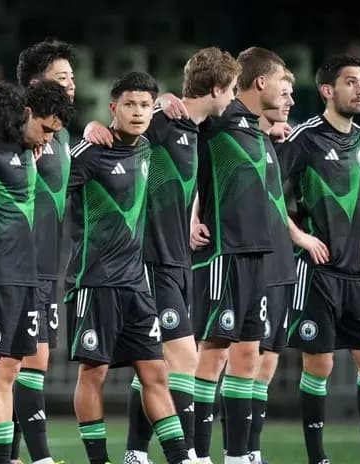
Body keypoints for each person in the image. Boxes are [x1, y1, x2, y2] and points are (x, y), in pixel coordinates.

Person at [115, 48, 240, 464]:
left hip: (177, 259)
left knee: (157, 361)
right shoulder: (164, 118)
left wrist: (188, 216)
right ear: (217, 89)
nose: (233, 98)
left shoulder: (197, 130)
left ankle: (135, 451)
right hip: (151, 259)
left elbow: (180, 181)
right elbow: (120, 135)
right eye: (232, 89)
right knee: (183, 356)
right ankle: (185, 453)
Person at [279, 54, 360, 464]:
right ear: (328, 91)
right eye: (351, 82)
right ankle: (318, 459)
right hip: (316, 272)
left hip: (353, 272)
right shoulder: (305, 137)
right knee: (320, 365)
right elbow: (269, 193)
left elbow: (355, 199)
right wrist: (301, 237)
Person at [68, 71, 193, 464]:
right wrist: (86, 129)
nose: (138, 113)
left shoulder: (148, 148)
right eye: (129, 105)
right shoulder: (90, 152)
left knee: (156, 374)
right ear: (112, 108)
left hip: (137, 285)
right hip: (95, 282)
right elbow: (49, 186)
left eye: (144, 106)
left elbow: (196, 113)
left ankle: (179, 458)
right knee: (94, 374)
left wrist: (170, 97)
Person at [0, 80, 73, 464]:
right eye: (45, 129)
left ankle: (0, 458)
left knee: (8, 370)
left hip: (25, 275)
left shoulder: (26, 152)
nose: (47, 139)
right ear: (25, 115)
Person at [188, 47, 286, 464]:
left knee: (248, 354)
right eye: (284, 83)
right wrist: (193, 211)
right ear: (260, 81)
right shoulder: (218, 117)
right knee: (213, 353)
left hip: (256, 255)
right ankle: (196, 453)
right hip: (225, 252)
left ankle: (239, 455)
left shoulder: (256, 128)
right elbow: (182, 143)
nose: (287, 94)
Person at [9, 38, 77, 464]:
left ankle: (13, 455)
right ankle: (39, 457)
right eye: (62, 77)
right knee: (23, 358)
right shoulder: (15, 125)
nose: (71, 84)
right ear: (36, 83)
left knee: (30, 359)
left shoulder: (63, 132)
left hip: (49, 261)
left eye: (73, 76)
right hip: (17, 259)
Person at [242, 68, 297, 464]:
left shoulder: (277, 142)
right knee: (244, 358)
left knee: (270, 358)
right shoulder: (237, 136)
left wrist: (297, 238)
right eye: (286, 91)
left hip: (281, 261)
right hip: (254, 260)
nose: (290, 100)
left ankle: (252, 450)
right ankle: (236, 450)